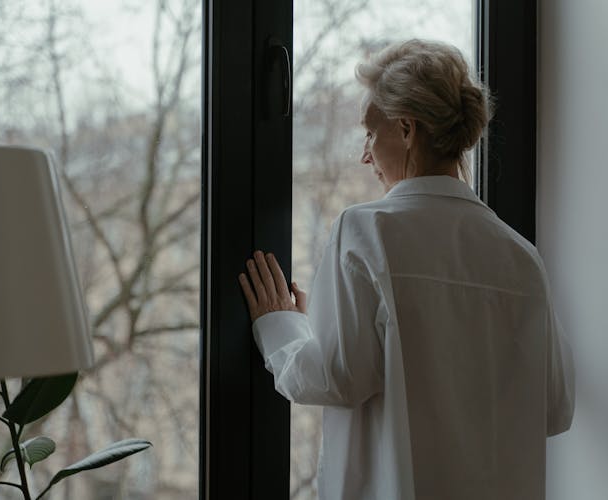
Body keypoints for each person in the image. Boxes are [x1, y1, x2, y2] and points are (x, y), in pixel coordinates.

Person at [238, 39, 575, 500]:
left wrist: (281, 327)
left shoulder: (366, 232)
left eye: (370, 134)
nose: (365, 154)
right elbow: (554, 409)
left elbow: (338, 376)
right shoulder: (520, 256)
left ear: (406, 128)